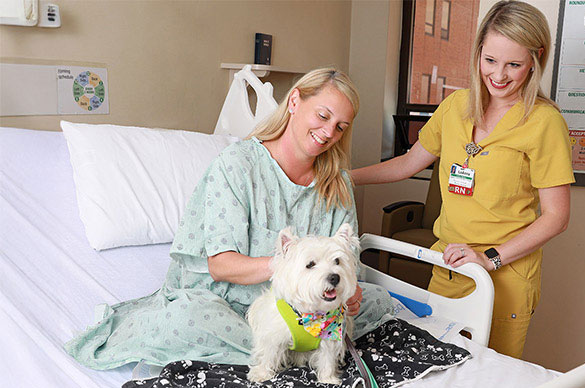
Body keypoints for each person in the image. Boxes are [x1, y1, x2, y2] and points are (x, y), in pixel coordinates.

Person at [65, 68, 393, 370]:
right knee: (186, 319)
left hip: (314, 310)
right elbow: (221, 265)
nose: (328, 132)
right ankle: (294, 349)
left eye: (340, 127)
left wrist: (350, 295)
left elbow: (348, 262)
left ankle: (286, 349)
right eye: (322, 116)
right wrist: (288, 265)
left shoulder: (339, 185)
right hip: (237, 307)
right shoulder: (238, 165)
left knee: (378, 300)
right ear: (294, 101)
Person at [351, 0, 574, 359]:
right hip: (448, 266)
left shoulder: (544, 122)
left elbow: (556, 216)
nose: (499, 75)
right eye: (490, 60)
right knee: (437, 366)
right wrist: (344, 178)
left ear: (536, 59)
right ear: (478, 53)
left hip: (503, 276)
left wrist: (490, 259)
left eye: (513, 64)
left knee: (487, 376)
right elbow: (407, 164)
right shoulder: (456, 107)